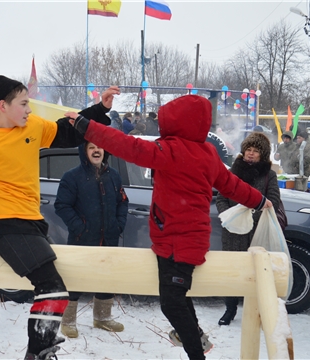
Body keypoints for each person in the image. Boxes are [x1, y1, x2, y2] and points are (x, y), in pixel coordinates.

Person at [65, 94, 272, 360]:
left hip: (177, 240)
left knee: (171, 303)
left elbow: (127, 145)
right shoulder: (207, 153)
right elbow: (232, 185)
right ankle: (193, 334)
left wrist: (87, 126)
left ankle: (196, 352)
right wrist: (259, 200)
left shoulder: (171, 150)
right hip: (184, 238)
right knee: (177, 293)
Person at [0, 75, 118, 360]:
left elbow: (67, 133)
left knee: (53, 287)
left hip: (30, 221)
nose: (30, 109)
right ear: (2, 106)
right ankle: (39, 351)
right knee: (53, 288)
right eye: (24, 103)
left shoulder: (32, 127)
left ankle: (41, 349)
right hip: (1, 223)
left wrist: (99, 109)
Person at [54, 141, 128, 338]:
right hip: (82, 239)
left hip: (109, 237)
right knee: (75, 278)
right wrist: (80, 227)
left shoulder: (113, 176)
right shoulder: (72, 177)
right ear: (84, 151)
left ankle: (102, 318)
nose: (97, 150)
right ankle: (68, 320)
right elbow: (62, 205)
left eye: (100, 147)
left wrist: (118, 224)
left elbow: (123, 202)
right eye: (91, 147)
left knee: (106, 276)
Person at [216, 132, 282, 326]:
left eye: (255, 151)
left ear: (263, 154)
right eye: (248, 150)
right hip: (233, 231)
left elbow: (274, 202)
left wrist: (254, 213)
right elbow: (221, 198)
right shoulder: (232, 172)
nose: (250, 154)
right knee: (233, 270)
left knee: (258, 272)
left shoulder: (269, 175)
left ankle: (258, 311)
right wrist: (228, 217)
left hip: (257, 231)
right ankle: (230, 309)